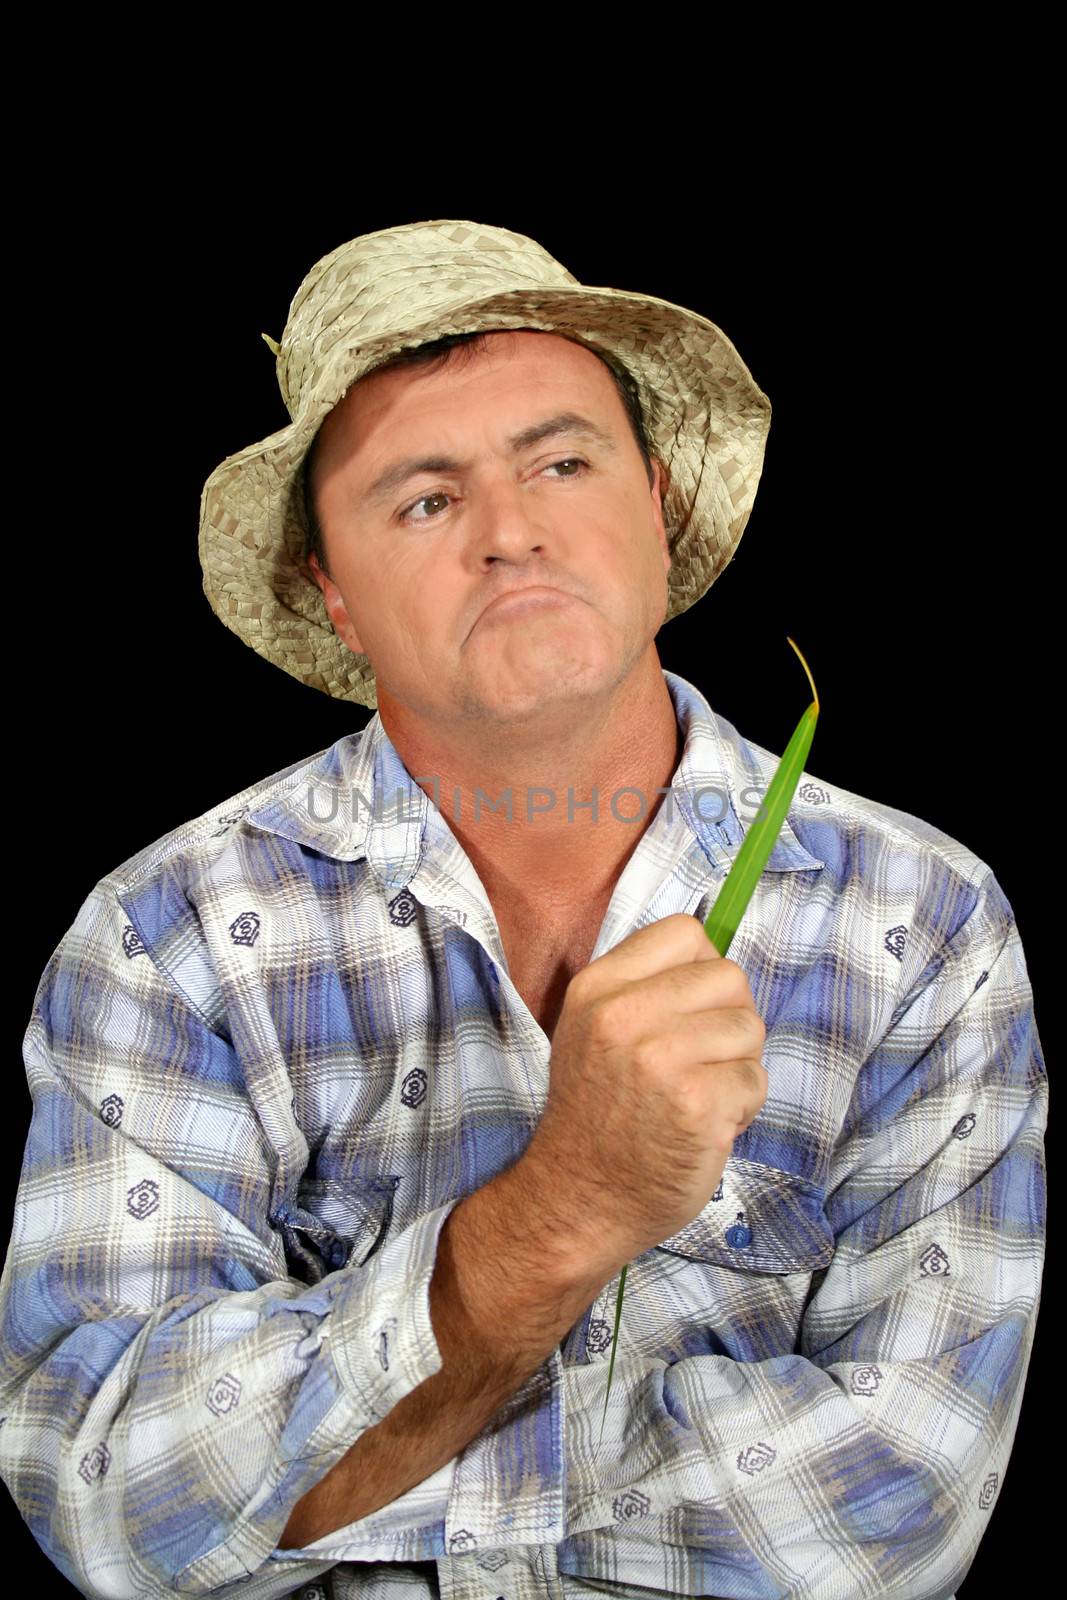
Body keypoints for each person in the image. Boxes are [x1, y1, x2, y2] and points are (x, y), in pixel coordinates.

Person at [0, 219, 1046, 1600]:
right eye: (424, 500)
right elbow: (112, 1498)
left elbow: (893, 1513)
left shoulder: (922, 926)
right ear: (335, 592)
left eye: (562, 462)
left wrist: (324, 1474)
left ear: (657, 509)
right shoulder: (170, 939)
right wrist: (559, 1214)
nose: (511, 533)